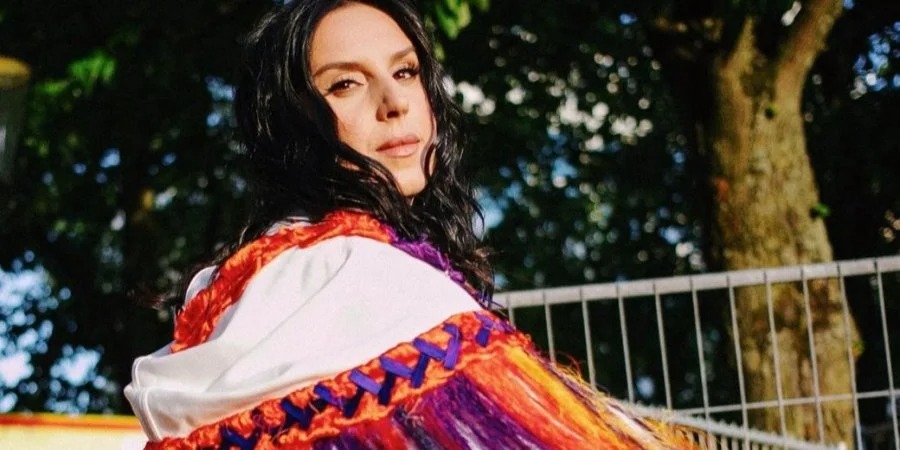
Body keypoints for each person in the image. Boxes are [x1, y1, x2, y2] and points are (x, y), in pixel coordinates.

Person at [125, 0, 697, 448]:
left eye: (406, 71)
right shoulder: (353, 272)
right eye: (345, 83)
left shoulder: (254, 280)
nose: (395, 101)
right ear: (289, 120)